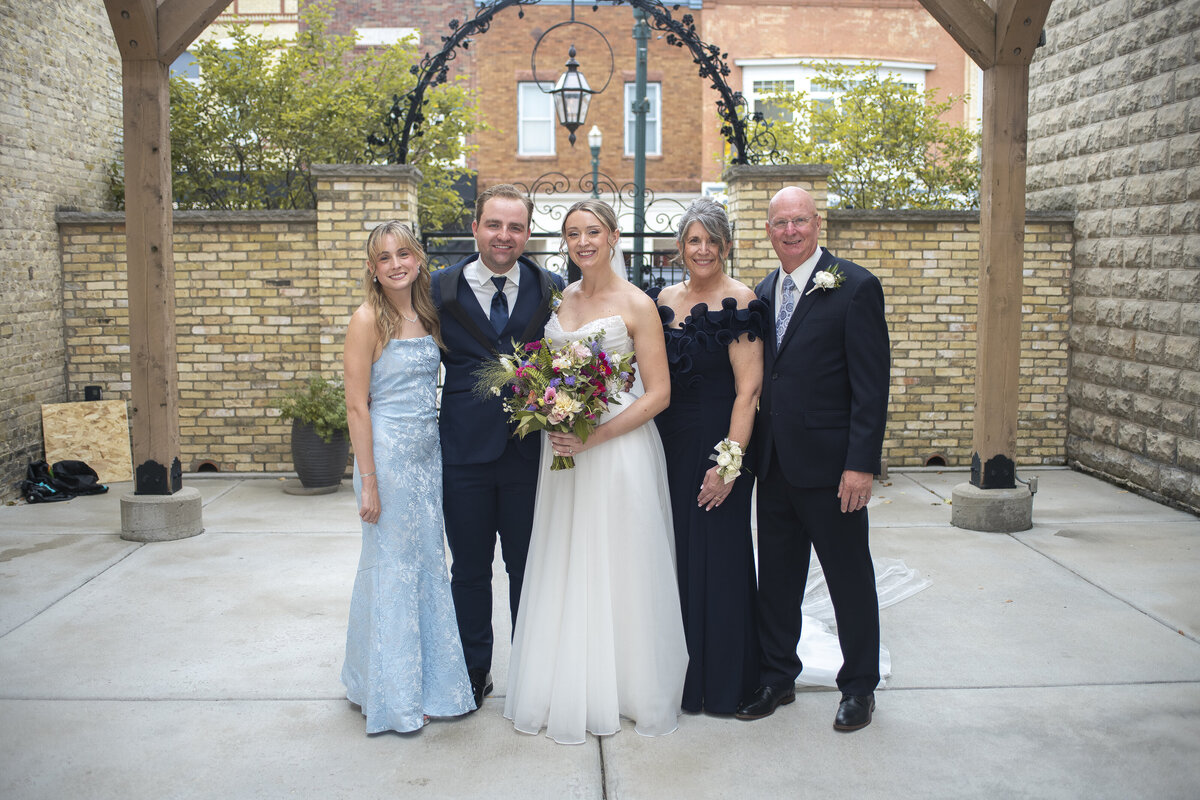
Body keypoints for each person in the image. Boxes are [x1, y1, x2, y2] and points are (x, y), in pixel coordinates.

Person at [503, 199, 688, 744]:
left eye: (593, 232)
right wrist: (546, 407)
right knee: (567, 558)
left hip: (615, 449)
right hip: (563, 451)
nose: (583, 242)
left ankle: (628, 687)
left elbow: (659, 393)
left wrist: (596, 435)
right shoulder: (564, 299)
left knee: (619, 562)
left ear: (612, 237)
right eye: (572, 233)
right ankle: (571, 681)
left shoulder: (637, 304)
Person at [738, 186, 891, 732]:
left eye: (799, 220)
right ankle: (778, 677)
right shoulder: (764, 289)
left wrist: (860, 465)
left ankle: (859, 687)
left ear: (817, 224)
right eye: (780, 223)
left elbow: (871, 388)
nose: (790, 231)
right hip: (775, 463)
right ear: (769, 230)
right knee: (776, 579)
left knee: (849, 577)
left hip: (833, 470)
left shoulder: (855, 288)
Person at [431, 185, 566, 710]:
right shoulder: (439, 288)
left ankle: (531, 670)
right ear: (476, 228)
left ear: (528, 233)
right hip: (462, 453)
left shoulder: (550, 286)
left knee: (526, 567)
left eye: (515, 227)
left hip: (527, 455)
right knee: (467, 568)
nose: (504, 236)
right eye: (494, 225)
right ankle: (473, 670)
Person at [341, 221, 475, 733]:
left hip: (427, 458)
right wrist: (369, 480)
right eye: (384, 258)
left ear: (418, 259)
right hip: (388, 460)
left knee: (424, 566)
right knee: (392, 568)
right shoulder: (366, 320)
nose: (395, 264)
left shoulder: (426, 314)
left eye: (403, 254)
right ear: (373, 271)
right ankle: (394, 693)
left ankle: (428, 682)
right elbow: (356, 406)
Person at [649, 198, 766, 714]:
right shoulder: (663, 299)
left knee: (718, 559)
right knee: (674, 556)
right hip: (669, 445)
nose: (703, 250)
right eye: (694, 241)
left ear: (726, 246)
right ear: (681, 246)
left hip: (720, 444)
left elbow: (749, 393)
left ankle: (722, 680)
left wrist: (728, 467)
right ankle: (680, 677)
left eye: (712, 241)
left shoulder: (741, 301)